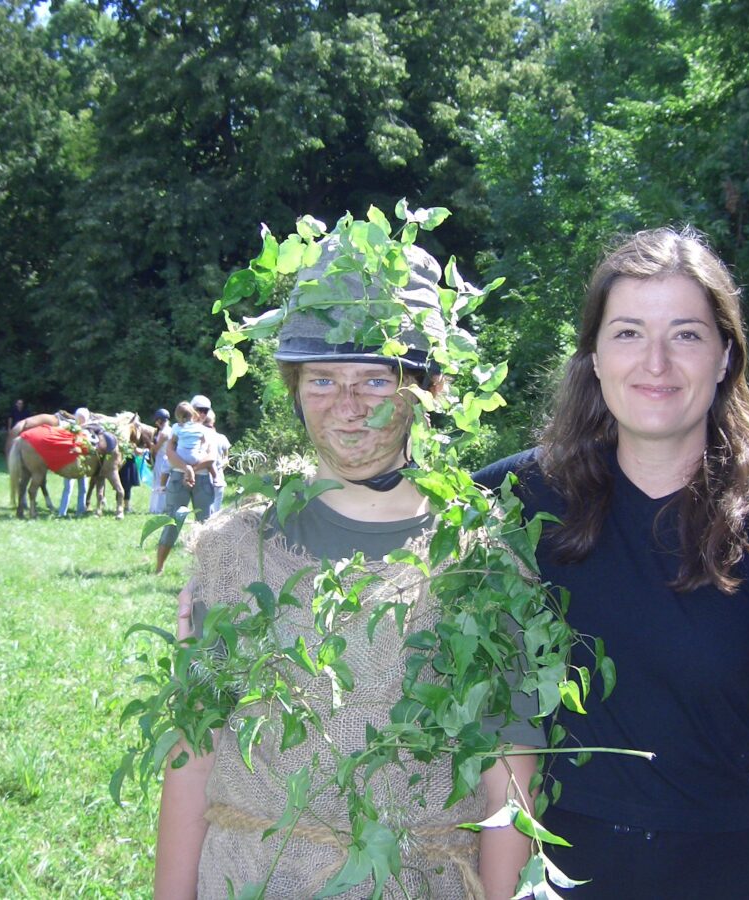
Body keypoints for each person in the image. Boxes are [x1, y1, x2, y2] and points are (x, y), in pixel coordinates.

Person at [154, 236, 541, 899]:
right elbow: (194, 754)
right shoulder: (233, 551)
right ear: (295, 390)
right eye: (324, 380)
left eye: (375, 380)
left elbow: (511, 782)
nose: (349, 405)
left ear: (427, 391)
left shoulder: (480, 563)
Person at [475, 227, 749, 899]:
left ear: (726, 356)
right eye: (627, 334)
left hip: (719, 873)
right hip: (551, 874)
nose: (656, 363)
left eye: (686, 335)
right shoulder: (508, 505)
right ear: (592, 355)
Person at [153, 399, 214, 574]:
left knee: (205, 524)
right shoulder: (178, 430)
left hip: (199, 479)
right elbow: (169, 453)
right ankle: (159, 567)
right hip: (181, 478)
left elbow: (212, 456)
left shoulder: (206, 431)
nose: (202, 413)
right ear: (192, 411)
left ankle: (207, 569)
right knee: (173, 521)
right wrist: (187, 469)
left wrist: (190, 470)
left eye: (205, 410)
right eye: (199, 410)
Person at [201, 407, 230, 516]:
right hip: (218, 474)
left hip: (203, 475)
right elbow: (226, 459)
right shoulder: (221, 437)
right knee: (216, 509)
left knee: (204, 511)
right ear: (214, 421)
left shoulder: (200, 436)